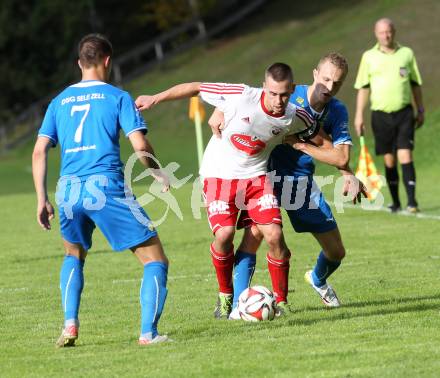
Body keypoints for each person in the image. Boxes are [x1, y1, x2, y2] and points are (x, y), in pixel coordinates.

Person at [136, 63, 323, 318]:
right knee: (224, 234)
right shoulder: (240, 95)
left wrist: (334, 160)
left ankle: (282, 301)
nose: (278, 100)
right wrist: (155, 98)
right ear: (264, 86)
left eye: (284, 94)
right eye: (273, 93)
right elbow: (195, 87)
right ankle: (225, 295)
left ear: (291, 90)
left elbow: (318, 134)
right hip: (218, 176)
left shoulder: (296, 116)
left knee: (275, 236)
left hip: (256, 179)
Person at [32, 34, 171, 347]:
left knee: (73, 254)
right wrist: (158, 173)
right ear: (108, 61)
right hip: (105, 186)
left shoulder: (58, 101)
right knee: (155, 260)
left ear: (79, 64)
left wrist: (42, 199)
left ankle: (70, 324)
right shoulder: (117, 97)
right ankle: (148, 334)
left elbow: (39, 151)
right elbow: (139, 144)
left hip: (67, 189)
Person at [208, 53, 366, 317]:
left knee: (336, 251)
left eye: (336, 83)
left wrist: (343, 169)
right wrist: (219, 109)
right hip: (264, 176)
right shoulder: (289, 94)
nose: (329, 86)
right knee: (255, 238)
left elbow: (339, 155)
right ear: (315, 74)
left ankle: (317, 279)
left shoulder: (336, 111)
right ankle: (235, 304)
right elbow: (245, 97)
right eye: (325, 79)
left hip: (300, 182)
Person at [354, 18, 424, 213]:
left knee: (405, 154)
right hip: (380, 115)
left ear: (394, 31)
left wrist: (421, 109)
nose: (386, 35)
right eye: (382, 32)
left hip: (404, 113)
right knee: (389, 159)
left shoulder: (406, 54)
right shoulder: (369, 57)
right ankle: (396, 202)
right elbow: (363, 88)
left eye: (389, 31)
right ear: (376, 34)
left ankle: (412, 202)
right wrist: (359, 115)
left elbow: (415, 84)